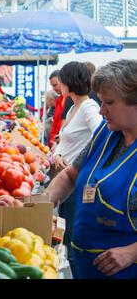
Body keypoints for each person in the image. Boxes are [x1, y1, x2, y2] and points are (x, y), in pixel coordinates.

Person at [45, 59, 137, 279]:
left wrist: (132, 253)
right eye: (101, 101)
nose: (102, 109)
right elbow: (70, 174)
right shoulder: (106, 134)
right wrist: (42, 203)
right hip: (88, 268)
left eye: (109, 102)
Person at [48, 70, 67, 147]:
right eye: (52, 86)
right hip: (57, 143)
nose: (53, 89)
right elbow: (55, 123)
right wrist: (52, 141)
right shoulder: (59, 100)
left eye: (55, 85)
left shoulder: (70, 100)